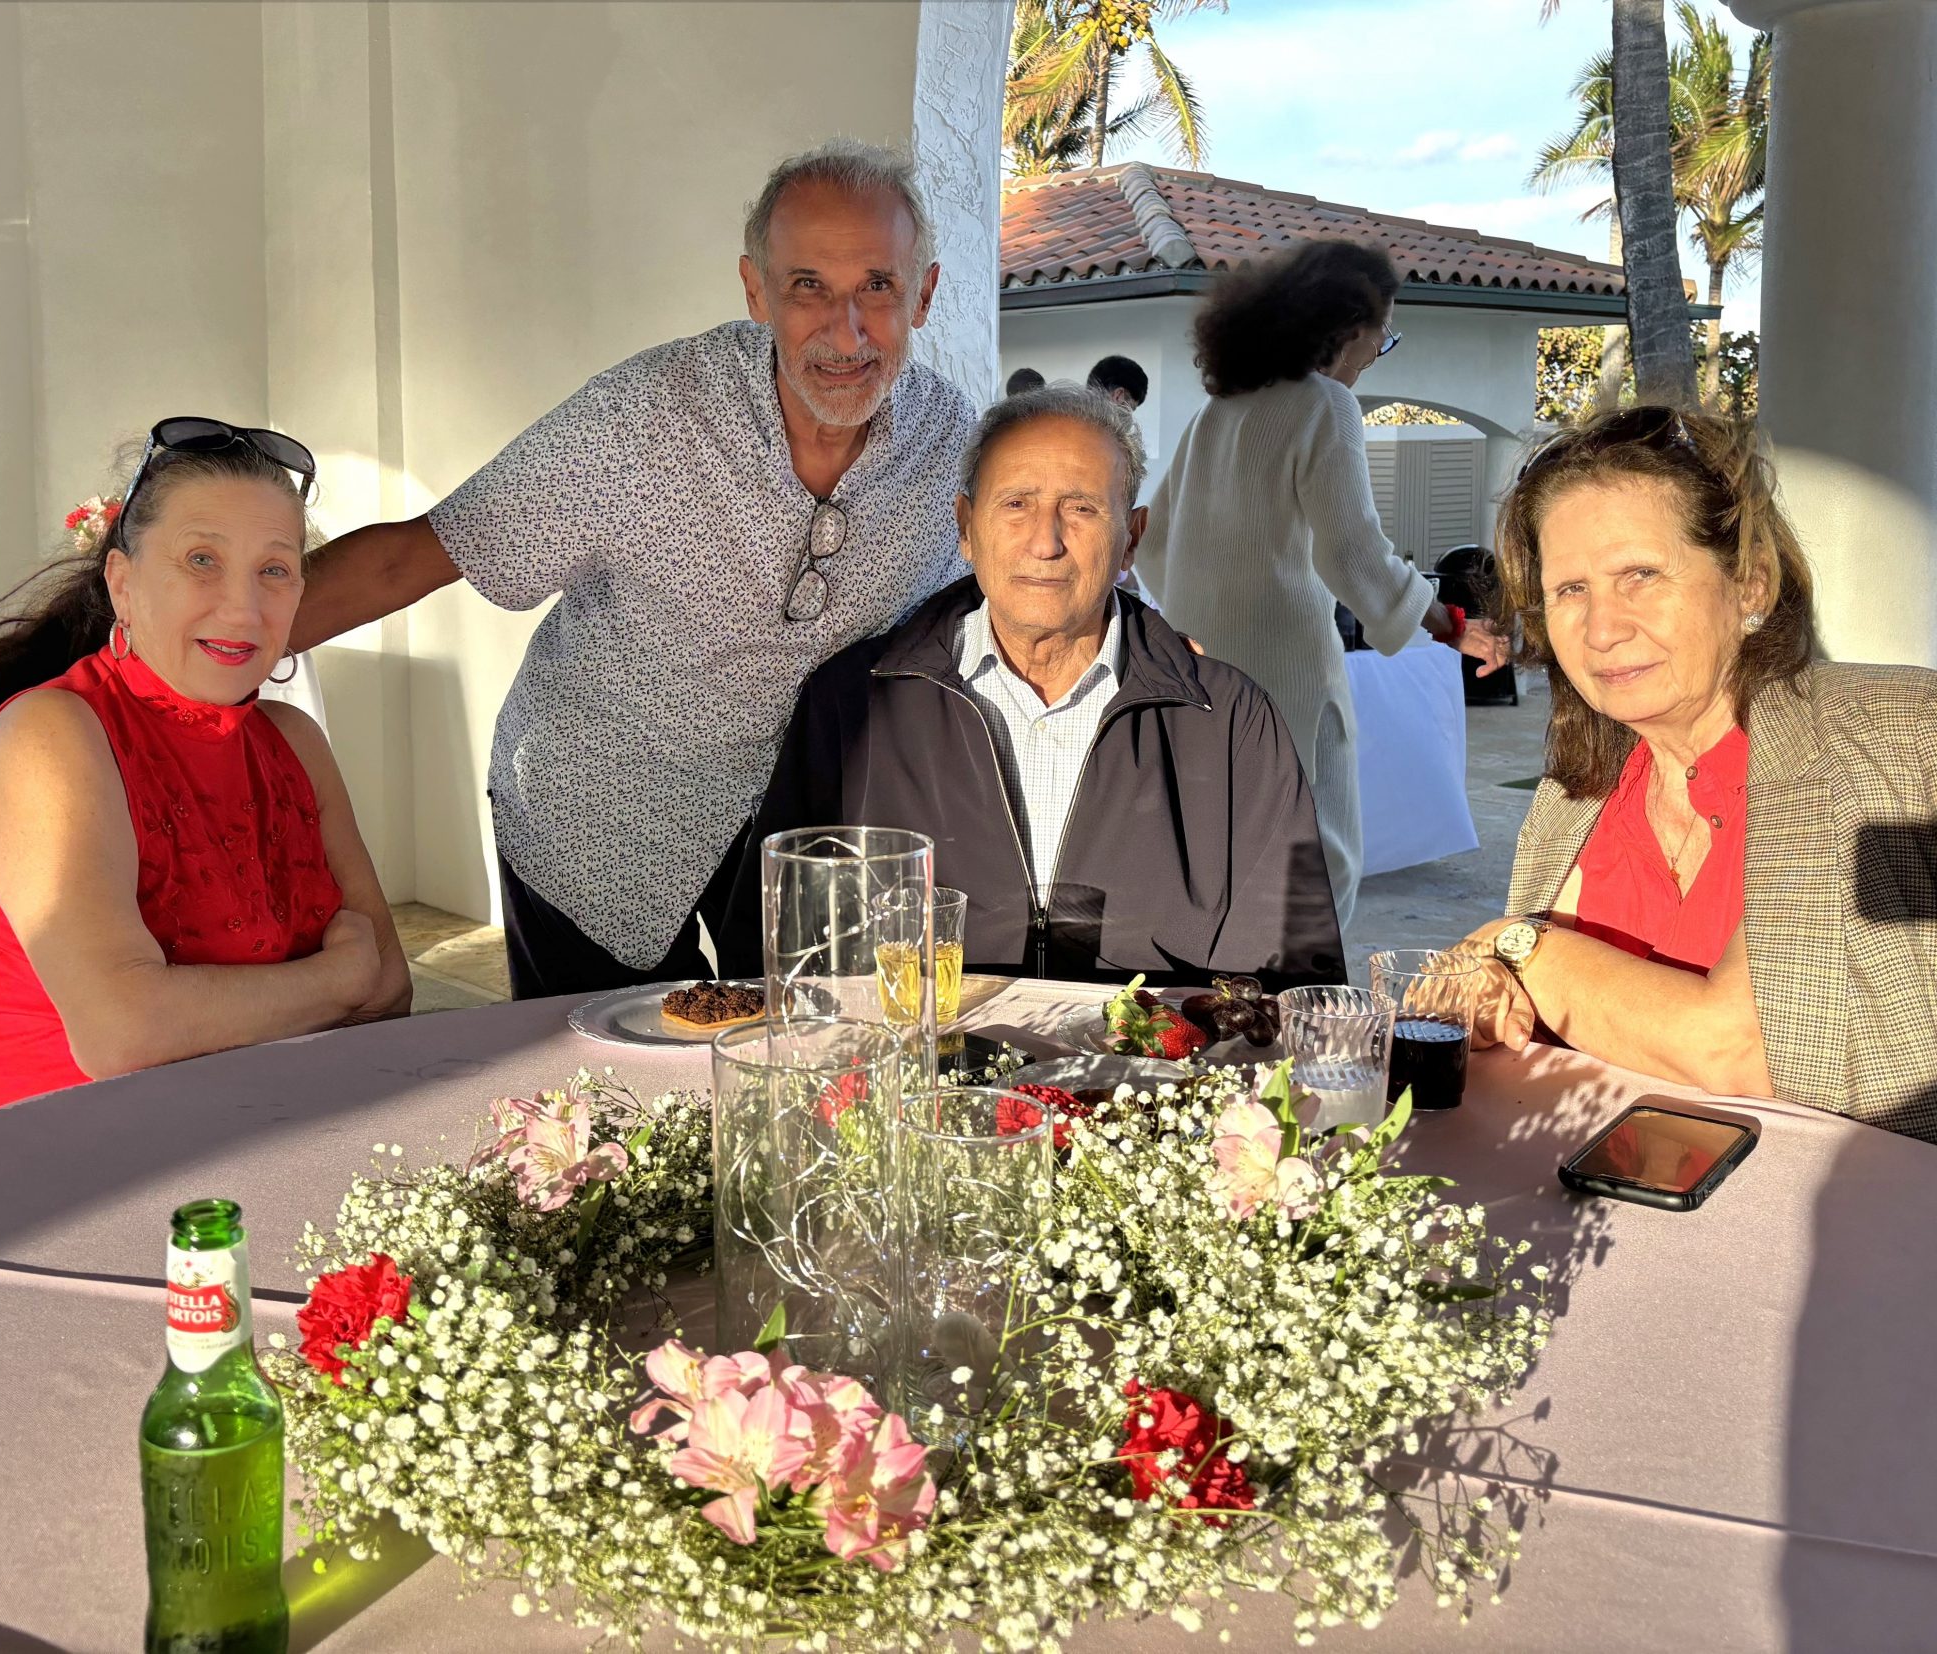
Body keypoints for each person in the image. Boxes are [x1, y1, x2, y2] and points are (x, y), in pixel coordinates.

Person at [284, 141, 975, 999]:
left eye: (877, 285)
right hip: (592, 809)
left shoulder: (952, 445)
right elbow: (416, 555)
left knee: (805, 1048)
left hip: (798, 826)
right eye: (808, 286)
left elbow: (1028, 591)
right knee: (604, 1070)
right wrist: (185, 653)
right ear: (756, 291)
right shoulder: (647, 414)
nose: (847, 331)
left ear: (924, 294)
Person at [722, 385, 1345, 988]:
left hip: (1148, 1060)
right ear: (967, 528)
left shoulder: (1229, 722)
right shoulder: (853, 705)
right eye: (1016, 504)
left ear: (1131, 538)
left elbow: (1291, 984)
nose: (1045, 543)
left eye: (1082, 508)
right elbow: (771, 956)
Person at [1459, 403, 1937, 1140]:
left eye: (1641, 574)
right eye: (1571, 590)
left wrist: (1521, 946)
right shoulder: (1572, 799)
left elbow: (1749, 1049)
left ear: (1750, 585)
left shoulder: (1894, 737)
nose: (1602, 629)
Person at [0, 421, 411, 1126]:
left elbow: (389, 990)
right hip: (54, 1158)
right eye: (202, 560)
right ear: (122, 582)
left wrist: (343, 988)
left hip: (261, 1129)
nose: (242, 608)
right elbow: (124, 1034)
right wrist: (337, 979)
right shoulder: (51, 736)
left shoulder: (295, 742)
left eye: (274, 570)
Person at [1133, 239, 1508, 929]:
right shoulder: (1326, 404)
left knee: (1220, 855)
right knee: (1318, 857)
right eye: (1382, 333)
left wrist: (1207, 611)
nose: (1376, 353)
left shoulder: (1219, 412)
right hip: (1290, 672)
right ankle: (1306, 989)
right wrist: (1450, 624)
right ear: (1346, 327)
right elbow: (1353, 552)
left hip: (1201, 674)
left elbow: (1153, 542)